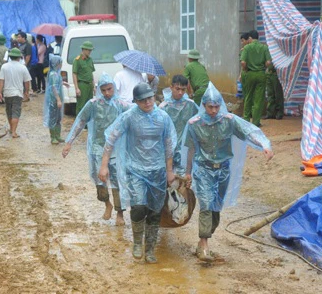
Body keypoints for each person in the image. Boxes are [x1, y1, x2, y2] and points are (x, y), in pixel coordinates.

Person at [184, 82, 273, 262]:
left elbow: (248, 132)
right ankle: (204, 245)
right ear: (204, 106)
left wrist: (264, 144)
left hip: (222, 169)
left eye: (217, 106)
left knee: (216, 207)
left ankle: (203, 241)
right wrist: (187, 172)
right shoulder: (194, 124)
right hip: (203, 168)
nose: (214, 110)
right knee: (207, 204)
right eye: (210, 107)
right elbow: (191, 149)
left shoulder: (229, 121)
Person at [98, 83, 177, 263]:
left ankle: (149, 249)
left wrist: (169, 171)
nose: (147, 103)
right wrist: (103, 166)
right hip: (136, 170)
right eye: (142, 100)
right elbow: (111, 139)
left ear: (154, 97)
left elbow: (168, 145)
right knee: (139, 206)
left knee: (155, 211)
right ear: (136, 101)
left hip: (157, 171)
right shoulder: (129, 117)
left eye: (149, 98)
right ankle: (136, 243)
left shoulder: (163, 118)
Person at [62, 73, 132, 224]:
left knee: (117, 181)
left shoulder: (121, 105)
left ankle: (120, 214)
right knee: (99, 180)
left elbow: (136, 113)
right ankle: (107, 203)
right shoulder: (93, 104)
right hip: (96, 148)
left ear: (114, 88)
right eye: (104, 90)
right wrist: (69, 142)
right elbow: (80, 122)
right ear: (99, 89)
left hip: (114, 150)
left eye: (110, 89)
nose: (107, 93)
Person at [159, 74, 198, 175]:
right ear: (171, 87)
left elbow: (199, 122)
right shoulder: (163, 108)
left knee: (184, 180)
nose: (180, 92)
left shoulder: (191, 105)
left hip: (185, 148)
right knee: (167, 177)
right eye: (177, 89)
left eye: (183, 90)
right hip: (168, 148)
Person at [0, 48, 32, 138]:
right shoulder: (23, 67)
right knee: (16, 112)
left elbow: (1, 80)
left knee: (9, 111)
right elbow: (27, 81)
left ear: (10, 57)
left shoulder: (4, 66)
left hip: (7, 93)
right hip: (18, 93)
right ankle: (14, 132)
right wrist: (27, 91)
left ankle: (12, 128)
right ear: (19, 58)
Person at [240, 30, 271, 127]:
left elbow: (243, 62)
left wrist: (245, 69)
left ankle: (246, 120)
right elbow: (269, 62)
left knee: (248, 96)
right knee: (259, 99)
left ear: (250, 38)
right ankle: (256, 122)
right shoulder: (264, 47)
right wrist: (264, 67)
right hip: (261, 74)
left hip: (250, 74)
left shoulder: (247, 48)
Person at [43, 55, 65, 144]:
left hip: (56, 99)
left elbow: (57, 84)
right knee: (53, 118)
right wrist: (58, 99)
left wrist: (64, 83)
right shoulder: (53, 74)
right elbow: (54, 88)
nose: (61, 64)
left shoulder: (55, 73)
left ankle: (58, 135)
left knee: (58, 118)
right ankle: (53, 137)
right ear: (57, 64)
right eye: (60, 63)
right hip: (54, 100)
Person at [72, 41, 95, 115]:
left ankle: (87, 125)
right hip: (82, 85)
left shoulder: (90, 60)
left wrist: (94, 86)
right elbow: (74, 74)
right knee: (81, 106)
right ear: (83, 49)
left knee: (89, 105)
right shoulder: (77, 60)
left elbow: (91, 73)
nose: (90, 52)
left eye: (91, 50)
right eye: (88, 50)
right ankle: (79, 124)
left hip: (89, 85)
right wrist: (77, 88)